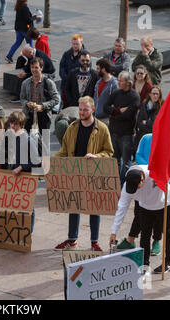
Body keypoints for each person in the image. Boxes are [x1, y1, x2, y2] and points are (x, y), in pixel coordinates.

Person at [54, 96, 114, 251]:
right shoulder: (72, 127)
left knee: (94, 208)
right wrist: (53, 161)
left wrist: (96, 156)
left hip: (93, 175)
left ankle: (94, 242)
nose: (82, 112)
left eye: (85, 109)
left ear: (92, 110)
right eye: (80, 109)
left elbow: (109, 152)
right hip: (75, 174)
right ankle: (72, 239)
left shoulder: (102, 128)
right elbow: (64, 151)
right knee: (74, 206)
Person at [110, 165, 170, 274]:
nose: (135, 190)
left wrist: (163, 178)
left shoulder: (153, 171)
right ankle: (144, 263)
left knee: (167, 231)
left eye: (137, 187)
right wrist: (114, 231)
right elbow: (122, 206)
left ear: (142, 179)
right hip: (145, 206)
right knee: (145, 234)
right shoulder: (129, 181)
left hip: (164, 203)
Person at [6, 110, 41, 232]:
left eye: (15, 123)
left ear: (21, 124)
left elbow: (36, 160)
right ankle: (20, 228)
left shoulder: (28, 140)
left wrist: (21, 167)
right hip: (17, 174)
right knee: (17, 203)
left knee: (28, 205)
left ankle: (28, 231)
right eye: (11, 123)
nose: (12, 126)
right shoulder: (14, 137)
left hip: (27, 175)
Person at [103, 71, 140, 183]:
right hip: (114, 131)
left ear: (128, 83)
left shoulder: (134, 96)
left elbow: (128, 115)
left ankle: (123, 182)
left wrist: (113, 114)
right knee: (114, 159)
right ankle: (115, 181)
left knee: (126, 161)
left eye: (121, 81)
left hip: (126, 134)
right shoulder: (116, 93)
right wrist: (118, 110)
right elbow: (105, 107)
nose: (118, 82)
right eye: (118, 80)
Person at [20, 57, 60, 132]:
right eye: (32, 67)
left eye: (36, 67)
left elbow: (56, 99)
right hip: (29, 114)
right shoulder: (25, 83)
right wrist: (27, 103)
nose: (34, 70)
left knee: (44, 139)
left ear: (41, 68)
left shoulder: (49, 82)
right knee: (26, 139)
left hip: (44, 114)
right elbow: (22, 98)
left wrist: (42, 106)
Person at [59, 34, 87, 108]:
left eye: (77, 44)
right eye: (73, 44)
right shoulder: (67, 54)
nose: (75, 46)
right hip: (65, 86)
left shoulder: (85, 56)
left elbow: (86, 70)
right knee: (65, 105)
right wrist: (67, 78)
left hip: (78, 87)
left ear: (81, 43)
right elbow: (62, 68)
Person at [134, 85, 163, 155]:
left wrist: (146, 122)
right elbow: (139, 122)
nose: (155, 96)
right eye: (153, 93)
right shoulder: (144, 104)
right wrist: (149, 125)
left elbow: (156, 125)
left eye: (157, 94)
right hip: (142, 137)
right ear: (149, 94)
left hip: (154, 138)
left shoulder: (161, 107)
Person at [94, 58, 118, 126]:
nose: (97, 70)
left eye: (98, 68)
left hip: (106, 120)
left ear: (103, 69)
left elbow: (116, 103)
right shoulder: (98, 82)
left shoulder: (114, 84)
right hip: (95, 117)